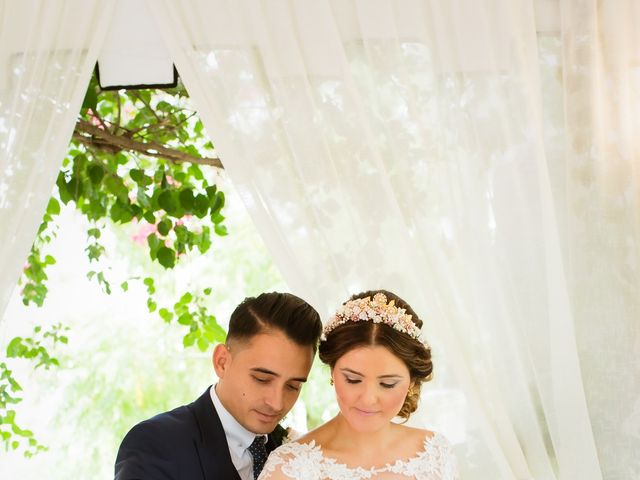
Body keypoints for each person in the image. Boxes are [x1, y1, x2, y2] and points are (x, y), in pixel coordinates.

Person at [114, 291, 323, 480]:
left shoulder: (294, 454)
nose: (277, 403)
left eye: (293, 386)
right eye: (262, 379)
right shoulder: (157, 444)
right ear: (222, 362)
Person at [258, 289, 458, 480]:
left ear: (412, 382)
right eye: (353, 380)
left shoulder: (434, 453)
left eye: (388, 384)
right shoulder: (289, 468)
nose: (368, 399)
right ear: (333, 372)